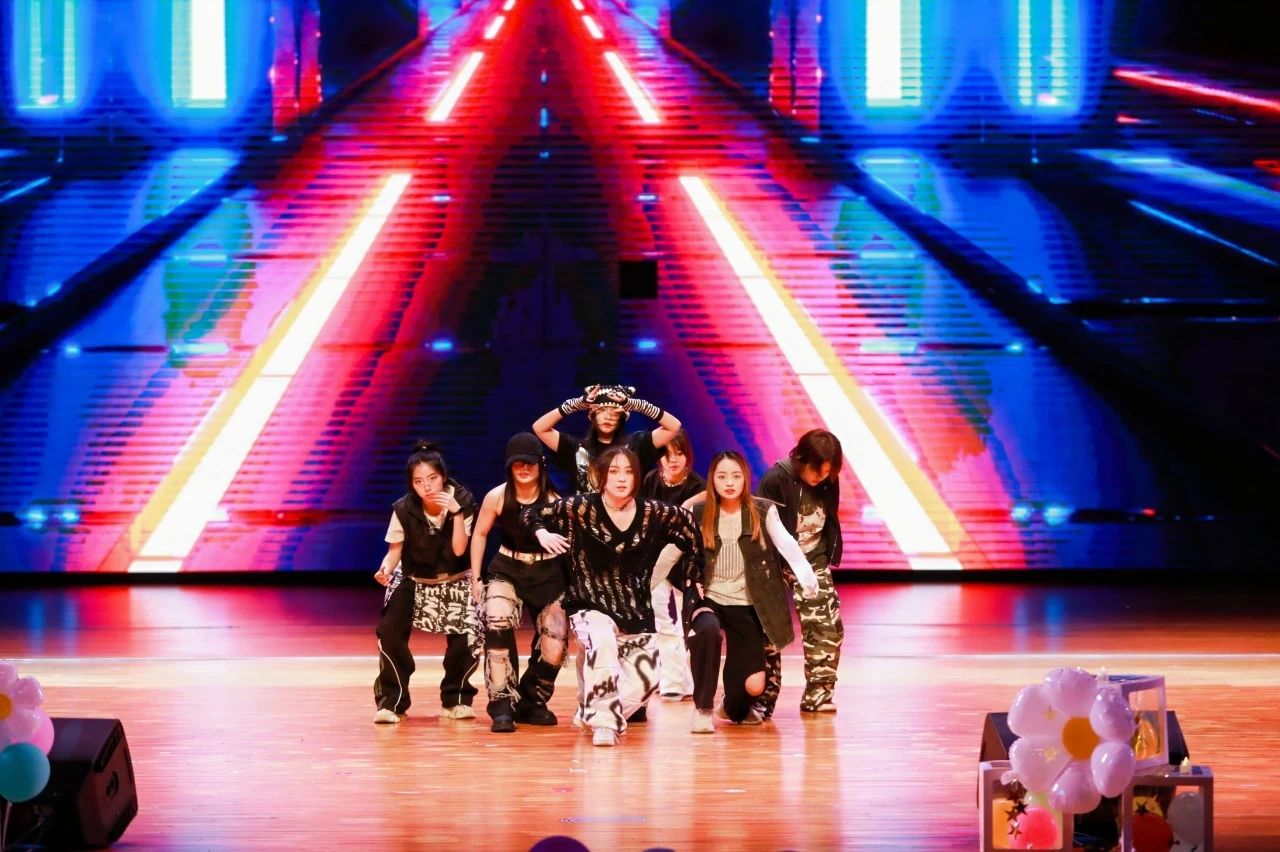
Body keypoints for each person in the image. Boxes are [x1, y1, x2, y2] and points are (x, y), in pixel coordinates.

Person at [522, 446, 704, 747]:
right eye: (615, 471)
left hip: (635, 610)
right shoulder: (581, 508)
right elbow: (530, 513)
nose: (621, 478)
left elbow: (689, 528)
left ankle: (591, 711)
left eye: (628, 472)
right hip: (589, 603)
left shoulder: (653, 513)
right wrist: (542, 533)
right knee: (603, 645)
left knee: (649, 678)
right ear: (601, 476)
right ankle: (605, 726)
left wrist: (694, 577)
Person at [681, 451, 819, 732]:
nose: (729, 482)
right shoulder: (699, 512)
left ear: (745, 478)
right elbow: (672, 552)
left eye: (736, 476)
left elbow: (787, 545)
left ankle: (729, 707)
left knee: (755, 686)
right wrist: (647, 584)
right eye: (722, 476)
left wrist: (807, 578)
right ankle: (703, 709)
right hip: (710, 598)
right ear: (712, 480)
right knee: (707, 631)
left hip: (746, 602)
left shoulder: (763, 510)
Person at [373, 441, 479, 724]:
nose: (427, 487)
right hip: (414, 577)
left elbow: (459, 550)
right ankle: (392, 702)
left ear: (443, 476)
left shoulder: (464, 501)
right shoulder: (403, 508)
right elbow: (395, 550)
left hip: (456, 578)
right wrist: (385, 568)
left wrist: (457, 513)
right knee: (389, 632)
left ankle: (456, 699)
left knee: (468, 633)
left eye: (432, 478)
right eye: (418, 482)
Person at [469, 433, 567, 733]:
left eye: (529, 463)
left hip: (548, 573)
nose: (524, 469)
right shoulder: (497, 496)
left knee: (555, 641)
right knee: (497, 621)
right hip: (508, 568)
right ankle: (502, 705)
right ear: (509, 466)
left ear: (541, 464)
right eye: (517, 464)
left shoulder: (555, 501)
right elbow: (480, 534)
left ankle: (531, 700)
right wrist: (476, 578)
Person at [755, 429, 846, 715]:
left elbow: (829, 519)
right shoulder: (775, 480)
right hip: (775, 560)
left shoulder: (829, 482)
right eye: (818, 470)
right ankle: (762, 699)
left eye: (829, 472)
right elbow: (764, 528)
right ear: (802, 459)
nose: (823, 477)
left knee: (826, 624)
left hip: (813, 557)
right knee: (768, 629)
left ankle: (818, 695)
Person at [639, 429, 705, 701]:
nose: (673, 460)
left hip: (685, 563)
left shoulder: (698, 487)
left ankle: (688, 680)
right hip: (655, 562)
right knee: (662, 622)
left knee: (687, 624)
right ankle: (673, 681)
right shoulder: (650, 481)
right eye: (667, 454)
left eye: (679, 453)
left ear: (688, 455)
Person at [532, 384, 682, 494]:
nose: (608, 416)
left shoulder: (636, 445)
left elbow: (673, 426)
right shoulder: (577, 449)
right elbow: (539, 427)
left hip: (627, 522)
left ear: (623, 418)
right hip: (586, 525)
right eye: (602, 410)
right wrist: (577, 404)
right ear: (592, 415)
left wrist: (635, 405)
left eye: (615, 413)